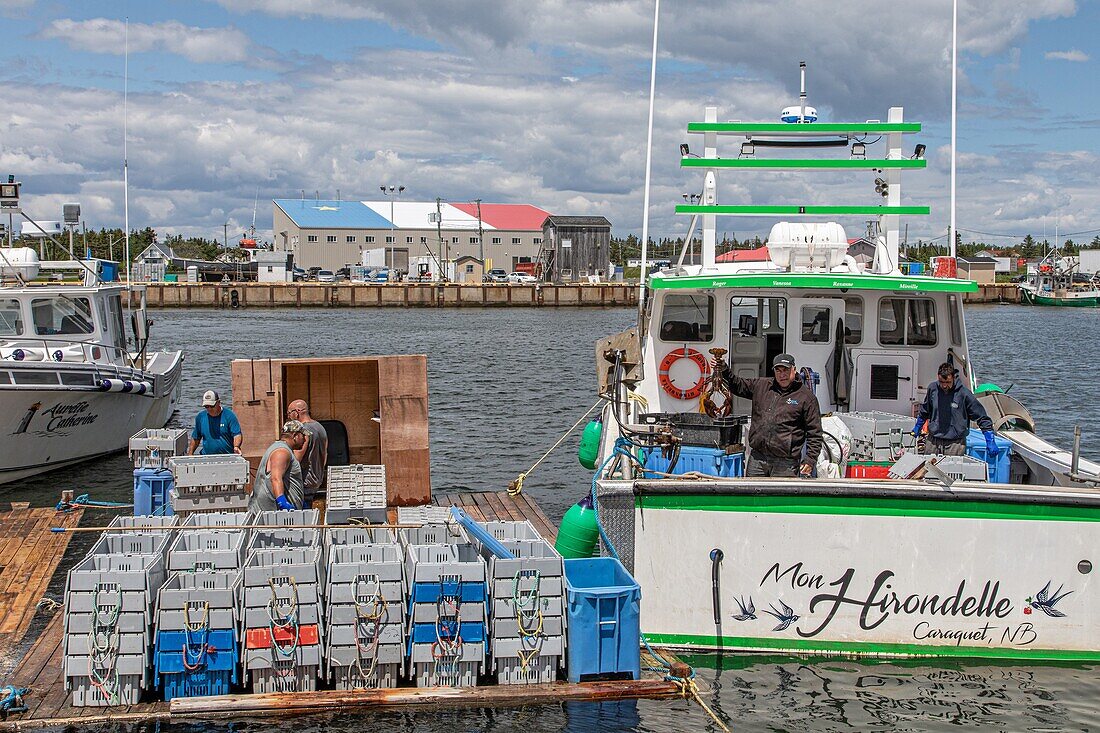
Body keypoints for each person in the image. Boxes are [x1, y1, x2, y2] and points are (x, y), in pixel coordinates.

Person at [715, 353, 823, 477]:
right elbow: (738, 385)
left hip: (786, 463)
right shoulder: (761, 385)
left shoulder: (806, 397)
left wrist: (810, 460)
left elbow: (815, 433)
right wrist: (723, 369)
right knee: (753, 495)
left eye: (786, 370)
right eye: (778, 370)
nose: (782, 375)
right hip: (757, 458)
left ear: (794, 369)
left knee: (779, 496)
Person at [914, 362, 998, 457]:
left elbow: (981, 417)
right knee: (928, 469)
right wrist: (918, 426)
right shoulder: (932, 389)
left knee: (951, 471)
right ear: (938, 377)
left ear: (954, 378)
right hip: (933, 440)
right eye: (941, 382)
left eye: (948, 382)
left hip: (955, 443)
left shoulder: (964, 394)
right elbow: (925, 410)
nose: (944, 386)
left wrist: (990, 440)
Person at [249, 421, 307, 512]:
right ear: (295, 436)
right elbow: (276, 478)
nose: (305, 440)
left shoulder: (284, 449)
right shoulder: (282, 452)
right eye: (303, 436)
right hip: (271, 514)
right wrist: (282, 502)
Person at [287, 399, 328, 507]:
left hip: (304, 482)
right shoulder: (320, 428)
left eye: (289, 413)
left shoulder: (303, 431)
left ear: (297, 412)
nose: (289, 417)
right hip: (316, 480)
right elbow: (325, 455)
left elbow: (296, 459)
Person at [187, 390, 242, 456]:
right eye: (206, 406)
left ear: (218, 402)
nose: (209, 409)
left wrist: (236, 446)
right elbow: (196, 438)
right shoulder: (201, 417)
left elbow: (237, 434)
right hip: (206, 456)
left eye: (212, 406)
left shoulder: (229, 415)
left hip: (227, 456)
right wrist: (190, 453)